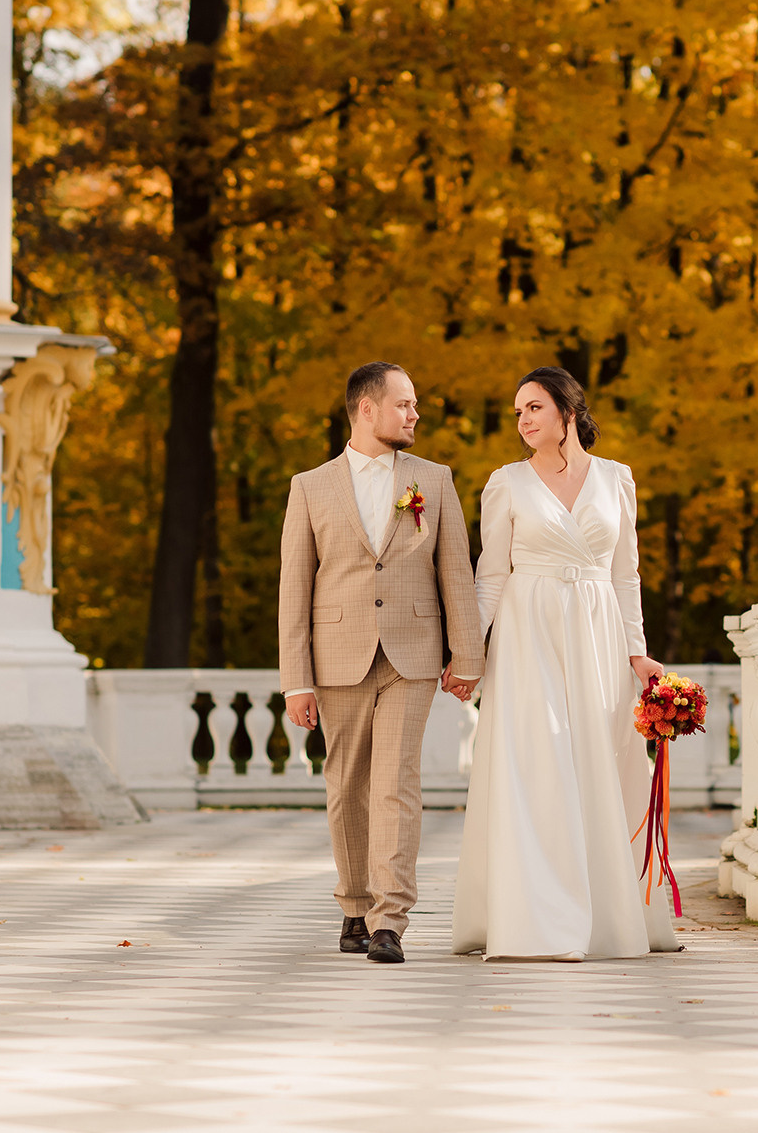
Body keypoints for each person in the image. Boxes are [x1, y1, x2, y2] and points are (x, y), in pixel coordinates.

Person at [452, 366, 680, 960]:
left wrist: (638, 653)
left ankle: (609, 917)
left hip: (599, 635)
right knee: (538, 764)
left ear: (567, 411)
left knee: (597, 765)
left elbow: (625, 573)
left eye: (534, 408)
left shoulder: (616, 479)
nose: (524, 420)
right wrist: (468, 653)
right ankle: (537, 921)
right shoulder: (506, 483)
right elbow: (490, 577)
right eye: (518, 412)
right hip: (529, 635)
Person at [278, 361, 484, 965]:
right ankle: (353, 905)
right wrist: (297, 679)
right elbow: (294, 589)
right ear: (366, 409)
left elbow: (456, 573)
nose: (415, 414)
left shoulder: (435, 480)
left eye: (415, 405)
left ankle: (390, 919)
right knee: (346, 786)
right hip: (337, 655)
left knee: (396, 782)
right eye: (405, 404)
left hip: (412, 654)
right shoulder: (309, 487)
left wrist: (467, 655)